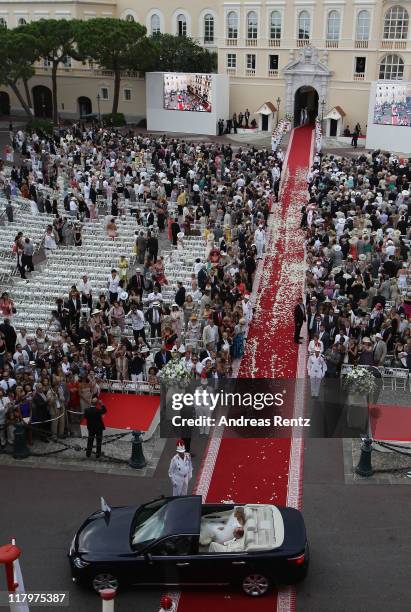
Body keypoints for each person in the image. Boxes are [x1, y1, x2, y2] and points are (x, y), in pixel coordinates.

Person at [84, 394, 107, 459]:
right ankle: (98, 454)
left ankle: (88, 453)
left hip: (91, 428)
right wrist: (102, 404)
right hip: (98, 428)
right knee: (98, 441)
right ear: (96, 404)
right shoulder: (98, 411)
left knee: (90, 440)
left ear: (91, 403)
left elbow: (85, 417)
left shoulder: (86, 410)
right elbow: (105, 410)